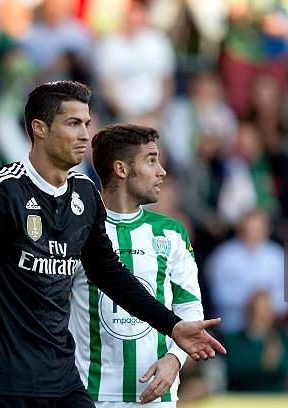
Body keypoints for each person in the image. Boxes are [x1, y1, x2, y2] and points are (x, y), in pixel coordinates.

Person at [0, 80, 225, 408]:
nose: (85, 134)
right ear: (39, 128)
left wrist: (172, 326)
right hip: (1, 381)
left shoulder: (84, 193)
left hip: (62, 380)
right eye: (73, 124)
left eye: (86, 123)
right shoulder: (2, 190)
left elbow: (110, 273)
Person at [69, 124, 204, 406]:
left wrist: (175, 359)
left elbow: (189, 305)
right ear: (121, 169)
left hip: (157, 394)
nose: (162, 171)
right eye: (151, 160)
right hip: (89, 394)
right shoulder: (76, 230)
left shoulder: (171, 232)